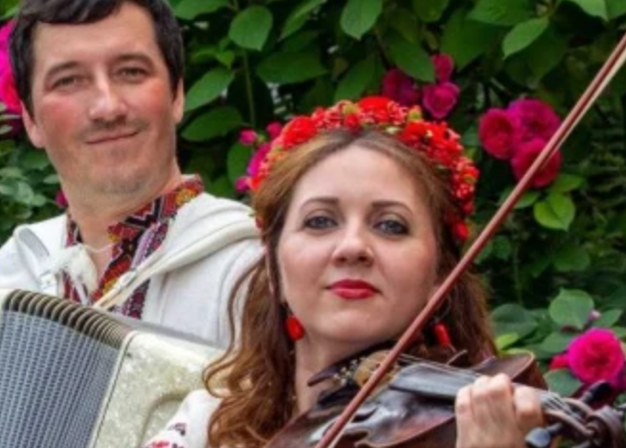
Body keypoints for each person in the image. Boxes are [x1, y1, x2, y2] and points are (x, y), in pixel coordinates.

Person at [0, 1, 263, 446]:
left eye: (131, 72)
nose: (107, 106)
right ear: (31, 120)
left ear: (177, 95)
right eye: (69, 80)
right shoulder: (17, 269)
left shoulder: (254, 271)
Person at [142, 97, 549, 448]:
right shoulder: (206, 426)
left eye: (391, 225)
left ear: (440, 273)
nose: (353, 247)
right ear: (273, 262)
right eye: (320, 221)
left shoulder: (480, 429)